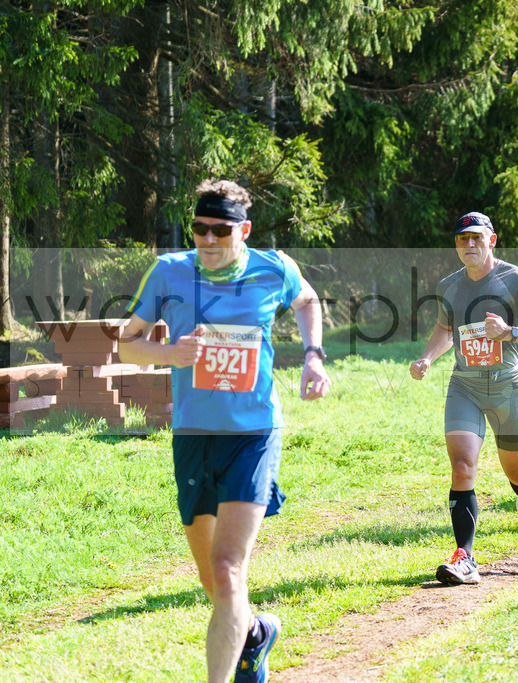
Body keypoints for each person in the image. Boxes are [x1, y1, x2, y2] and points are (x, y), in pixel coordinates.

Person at [119, 180, 331, 683]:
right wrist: (170, 354)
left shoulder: (272, 268)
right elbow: (127, 344)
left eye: (220, 230)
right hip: (194, 435)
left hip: (254, 432)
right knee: (209, 579)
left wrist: (313, 356)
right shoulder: (170, 272)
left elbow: (306, 300)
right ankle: (255, 632)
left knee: (227, 567)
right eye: (199, 229)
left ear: (244, 230)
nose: (208, 239)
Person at [409, 212, 518, 586]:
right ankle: (465, 558)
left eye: (476, 238)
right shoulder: (449, 286)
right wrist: (428, 357)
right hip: (466, 387)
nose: (469, 245)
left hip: (508, 388)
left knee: (516, 473)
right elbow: (446, 327)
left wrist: (510, 331)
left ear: (492, 241)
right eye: (462, 239)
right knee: (462, 467)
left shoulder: (517, 280)